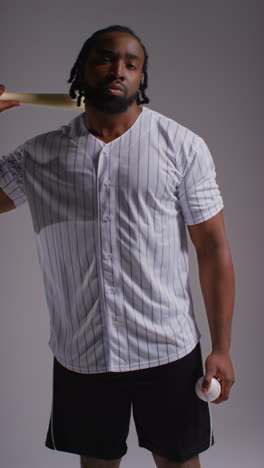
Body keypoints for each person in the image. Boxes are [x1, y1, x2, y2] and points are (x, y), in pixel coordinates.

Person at [0, 25, 235, 468]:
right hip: (83, 354)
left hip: (167, 349)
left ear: (140, 78)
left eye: (131, 63)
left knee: (180, 462)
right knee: (97, 462)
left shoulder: (180, 147)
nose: (118, 70)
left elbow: (214, 248)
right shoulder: (40, 155)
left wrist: (220, 347)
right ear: (81, 71)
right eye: (106, 59)